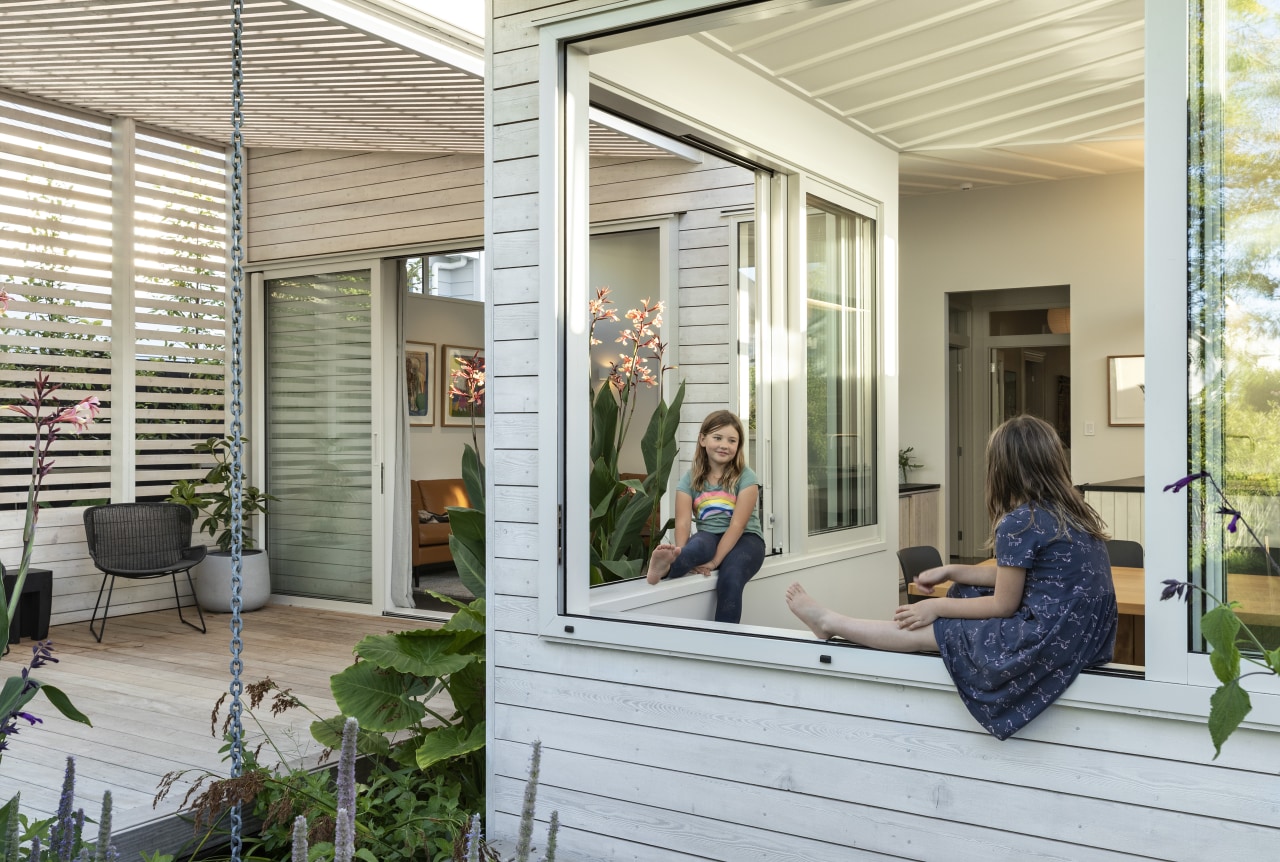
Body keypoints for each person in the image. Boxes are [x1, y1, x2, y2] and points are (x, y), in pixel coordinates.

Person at [786, 414, 1118, 740]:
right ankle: (948, 646)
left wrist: (938, 608)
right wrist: (952, 570)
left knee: (925, 628)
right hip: (1083, 638)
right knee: (965, 588)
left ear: (1003, 469)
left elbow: (1004, 604)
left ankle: (831, 622)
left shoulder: (1022, 521)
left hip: (1048, 639)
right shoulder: (1073, 512)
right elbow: (1021, 579)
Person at [644, 410, 766, 624]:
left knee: (731, 576)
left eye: (732, 440)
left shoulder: (747, 477)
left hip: (747, 538)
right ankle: (664, 568)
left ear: (738, 446)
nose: (724, 445)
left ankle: (722, 642)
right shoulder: (689, 479)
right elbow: (682, 522)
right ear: (703, 439)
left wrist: (714, 562)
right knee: (695, 548)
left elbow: (737, 525)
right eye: (717, 438)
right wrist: (679, 552)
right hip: (709, 534)